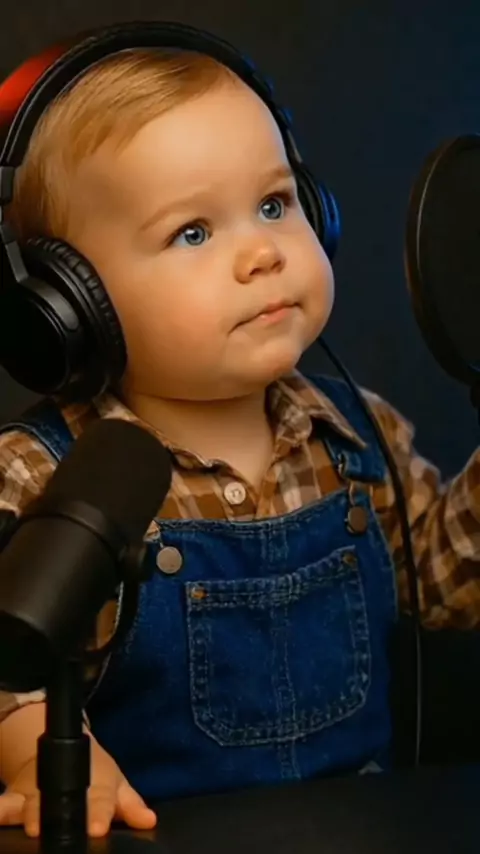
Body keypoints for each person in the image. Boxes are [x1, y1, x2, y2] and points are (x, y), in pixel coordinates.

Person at [0, 21, 479, 841]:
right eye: (192, 231)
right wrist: (30, 751)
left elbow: (445, 583)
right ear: (68, 304)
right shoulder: (41, 476)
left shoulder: (358, 436)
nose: (262, 251)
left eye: (275, 203)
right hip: (155, 835)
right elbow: (10, 661)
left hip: (361, 829)